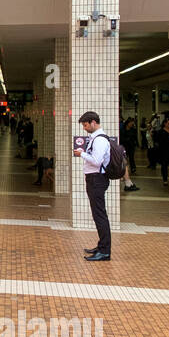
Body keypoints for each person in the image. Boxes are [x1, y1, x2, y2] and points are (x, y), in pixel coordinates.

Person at [73, 111, 113, 261]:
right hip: (94, 179)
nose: (84, 128)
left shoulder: (100, 140)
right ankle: (101, 246)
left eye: (85, 125)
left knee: (100, 215)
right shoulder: (95, 138)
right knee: (98, 215)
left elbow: (96, 161)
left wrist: (81, 154)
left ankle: (105, 251)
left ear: (93, 122)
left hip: (97, 179)